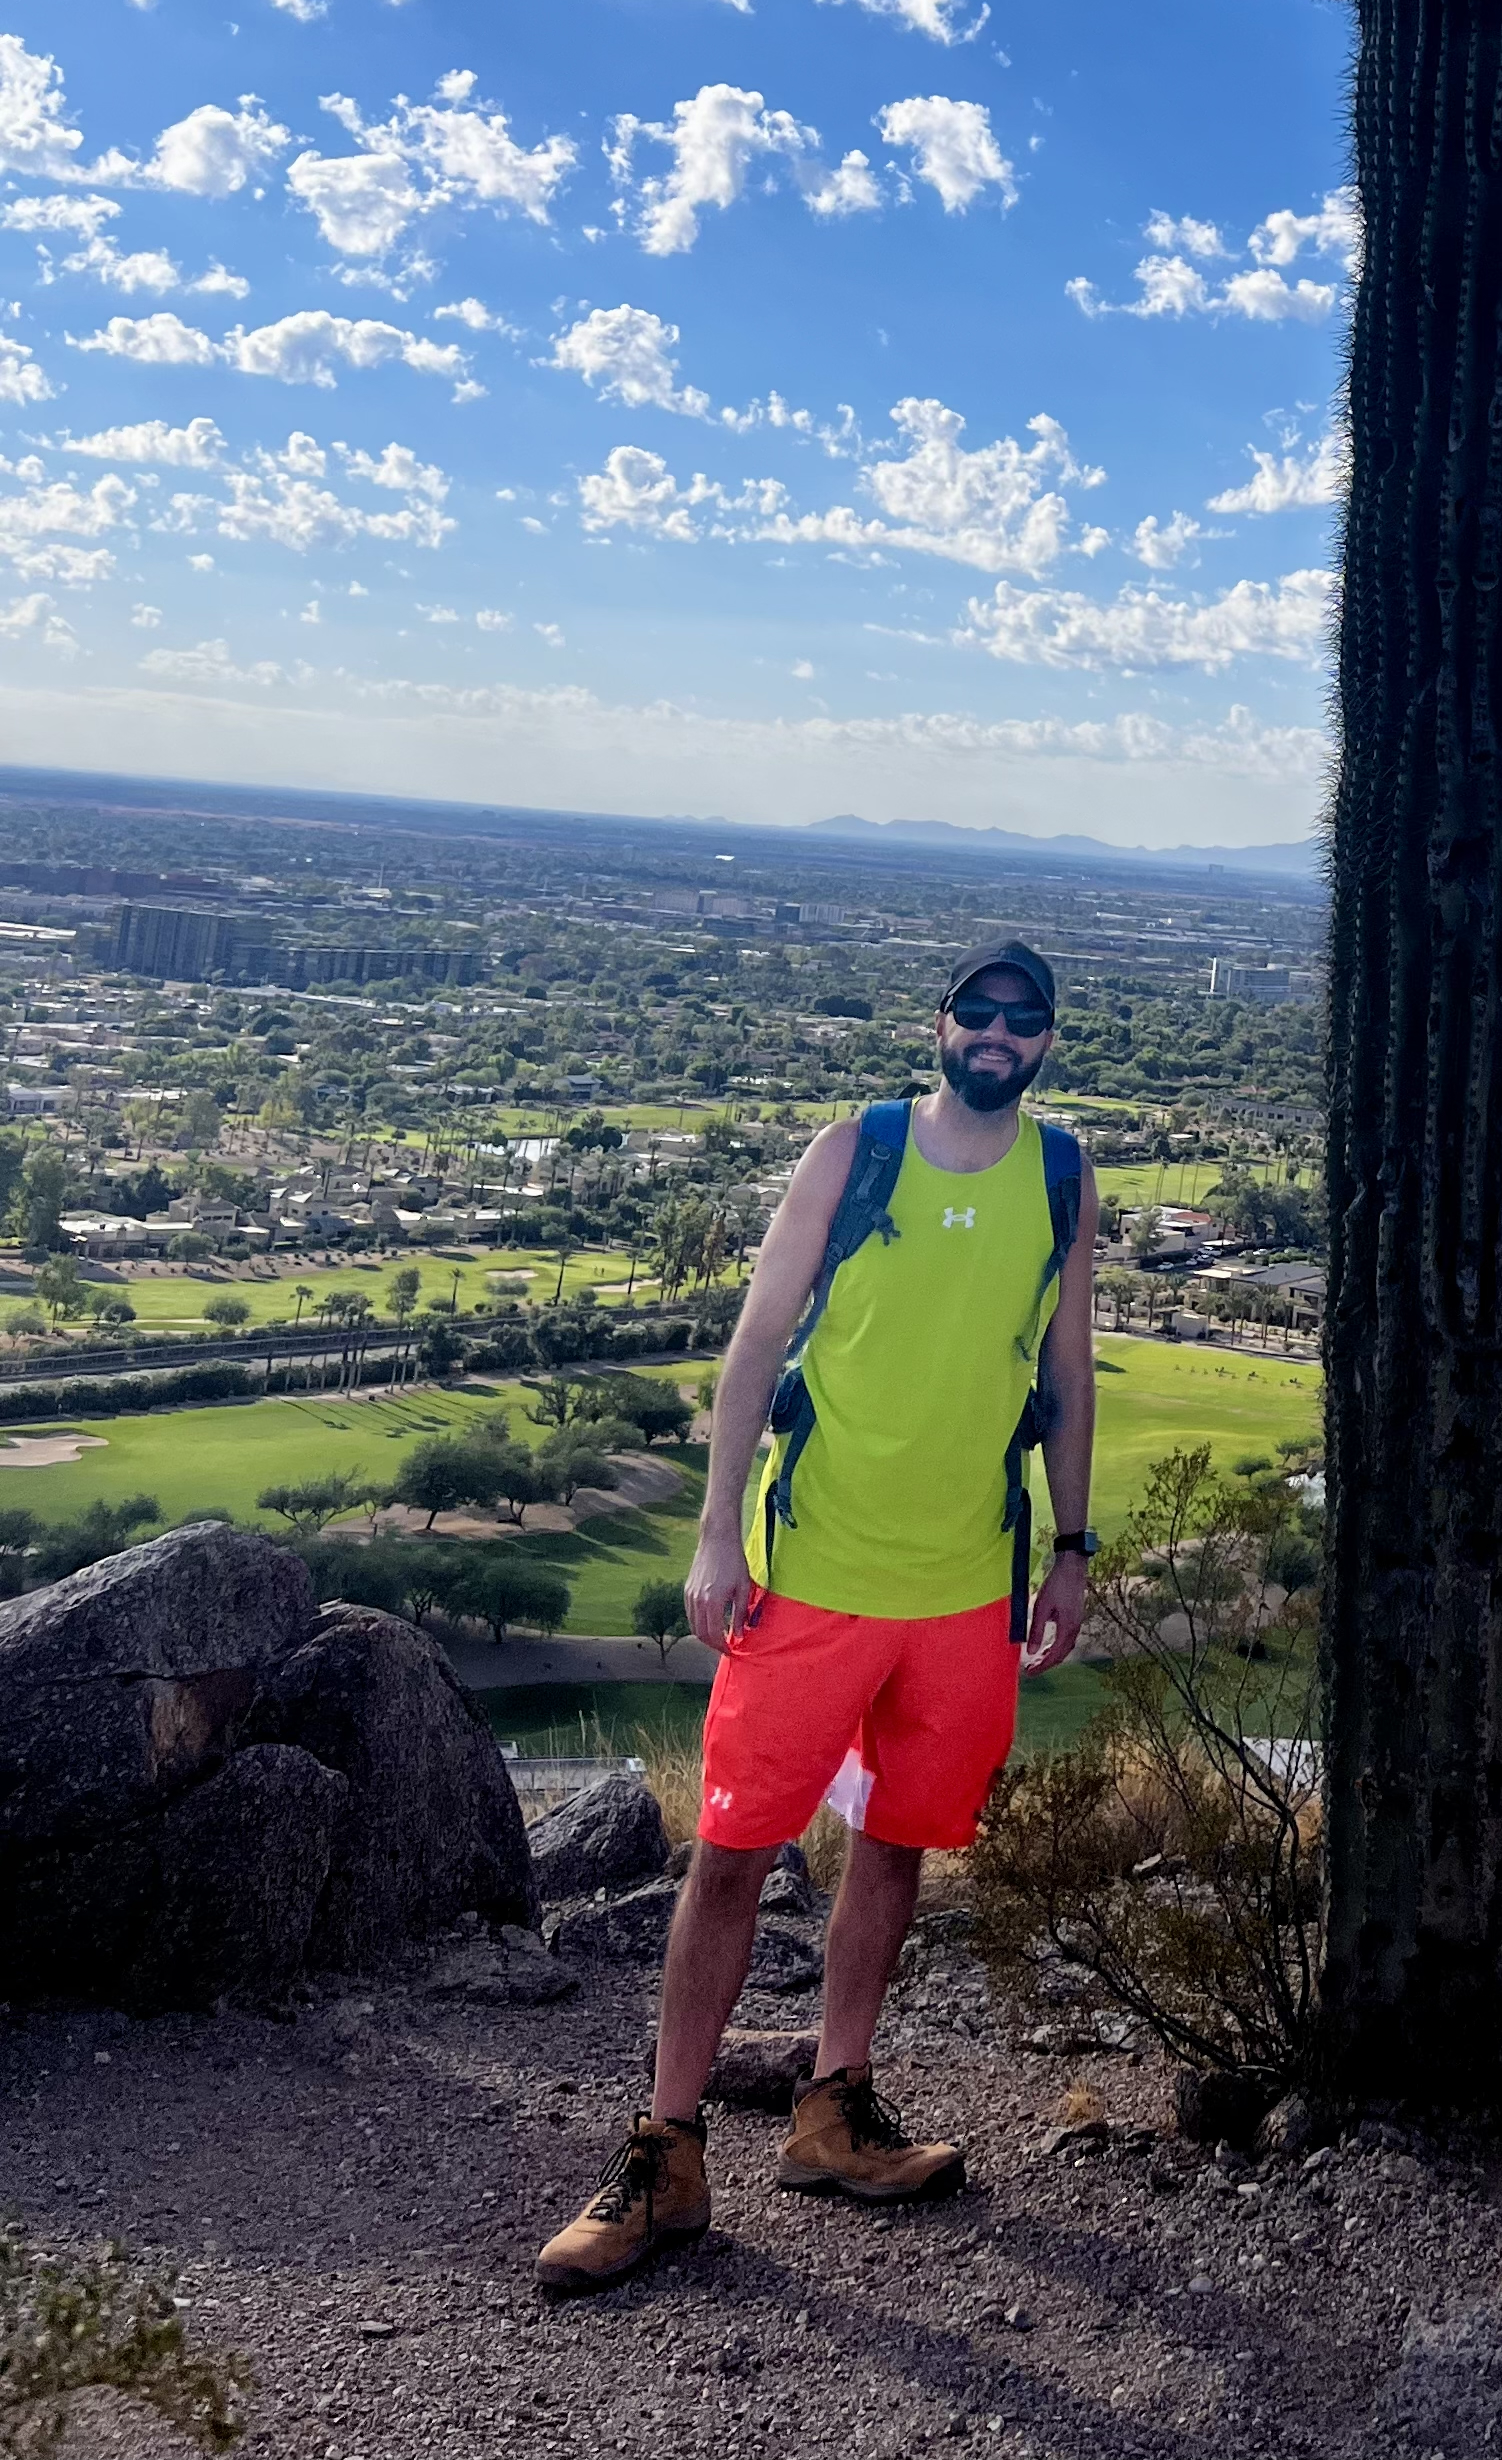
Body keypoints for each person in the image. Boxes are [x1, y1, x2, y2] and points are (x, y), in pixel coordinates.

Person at [538, 942, 1098, 2296]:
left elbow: (1068, 1369)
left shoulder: (1065, 1176)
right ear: (941, 1022)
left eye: (1026, 1021)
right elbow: (755, 1341)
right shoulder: (856, 1151)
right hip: (812, 1578)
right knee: (730, 1853)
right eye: (981, 1010)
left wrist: (1072, 1550)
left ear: (1045, 1045)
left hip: (968, 1588)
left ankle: (832, 2111)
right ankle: (664, 2151)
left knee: (897, 1848)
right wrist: (717, 1525)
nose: (1001, 1034)